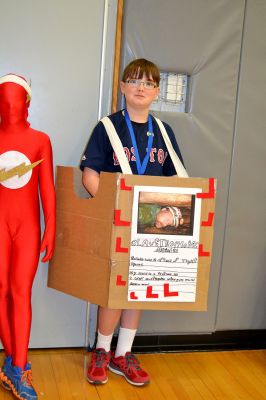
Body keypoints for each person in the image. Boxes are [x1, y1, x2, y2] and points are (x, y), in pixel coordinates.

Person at [80, 58, 186, 387]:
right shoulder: (107, 127)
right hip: (117, 220)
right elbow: (89, 174)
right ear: (123, 87)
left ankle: (122, 354)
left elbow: (179, 182)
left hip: (152, 227)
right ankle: (101, 350)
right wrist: (117, 207)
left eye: (149, 83)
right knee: (114, 290)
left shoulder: (165, 134)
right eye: (134, 81)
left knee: (140, 289)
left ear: (156, 92)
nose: (141, 87)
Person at [0, 74, 56, 400]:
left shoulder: (40, 140)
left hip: (27, 228)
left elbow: (46, 188)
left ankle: (19, 368)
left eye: (16, 101)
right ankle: (13, 363)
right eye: (4, 102)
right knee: (2, 289)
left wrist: (51, 227)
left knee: (21, 292)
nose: (9, 107)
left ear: (27, 104)